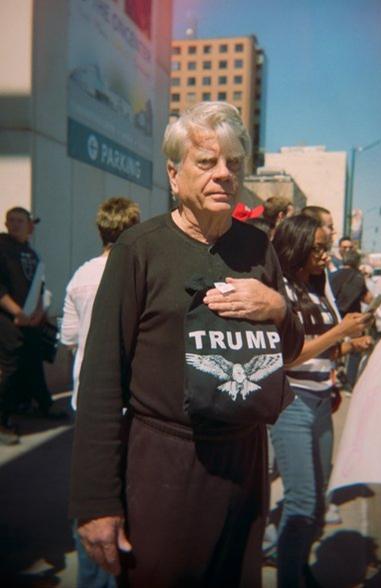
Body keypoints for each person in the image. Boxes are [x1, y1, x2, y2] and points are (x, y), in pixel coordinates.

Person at [69, 102, 305, 585]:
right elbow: (100, 382)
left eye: (233, 164)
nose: (224, 174)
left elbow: (292, 350)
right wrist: (96, 502)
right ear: (174, 176)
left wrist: (279, 309)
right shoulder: (140, 249)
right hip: (165, 467)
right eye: (207, 162)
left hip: (244, 465)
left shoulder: (259, 248)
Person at [270, 214, 372, 587]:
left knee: (316, 504)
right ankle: (290, 578)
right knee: (300, 503)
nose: (324, 256)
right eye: (316, 248)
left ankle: (298, 570)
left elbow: (320, 351)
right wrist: (341, 331)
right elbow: (287, 357)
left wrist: (349, 343)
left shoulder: (317, 287)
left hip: (319, 401)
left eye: (325, 248)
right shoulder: (278, 288)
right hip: (291, 403)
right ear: (295, 246)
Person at [60, 197, 141, 588]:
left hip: (86, 400)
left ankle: (94, 577)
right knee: (130, 497)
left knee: (92, 496)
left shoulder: (81, 276)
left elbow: (70, 338)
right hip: (131, 401)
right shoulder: (138, 273)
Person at [0, 206, 61, 444]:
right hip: (7, 319)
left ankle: (41, 405)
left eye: (20, 221)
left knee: (34, 361)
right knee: (11, 366)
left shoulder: (32, 254)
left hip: (30, 320)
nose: (15, 225)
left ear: (30, 226)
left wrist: (37, 313)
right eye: (11, 221)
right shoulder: (2, 248)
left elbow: (40, 288)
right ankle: (2, 418)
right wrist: (17, 312)